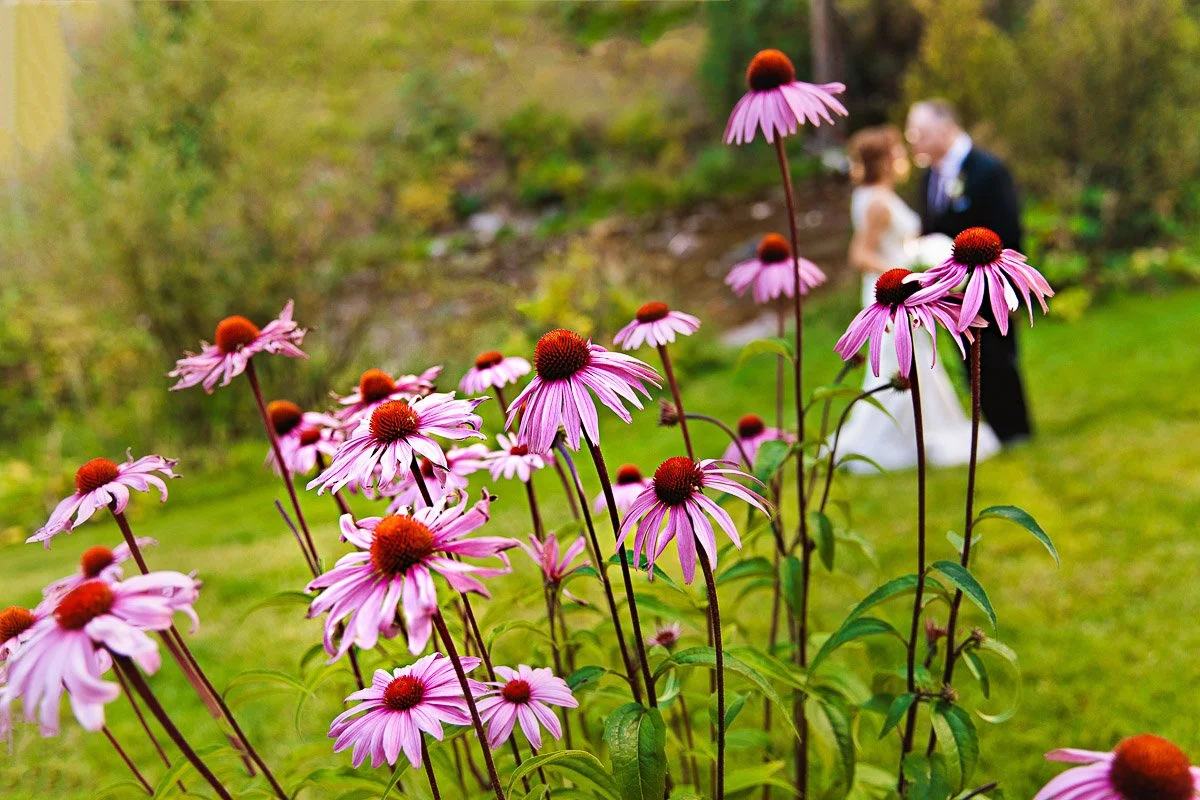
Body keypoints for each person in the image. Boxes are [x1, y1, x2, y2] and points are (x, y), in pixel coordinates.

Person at [833, 124, 1000, 472]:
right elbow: (860, 254)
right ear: (883, 160)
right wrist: (906, 275)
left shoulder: (872, 194)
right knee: (900, 364)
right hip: (893, 295)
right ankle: (896, 439)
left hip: (898, 291)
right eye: (895, 152)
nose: (902, 157)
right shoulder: (877, 201)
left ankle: (919, 431)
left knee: (915, 361)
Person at [906, 99, 1033, 444]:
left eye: (919, 133)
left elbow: (1010, 230)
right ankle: (989, 428)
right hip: (950, 291)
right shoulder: (928, 178)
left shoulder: (988, 170)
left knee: (999, 356)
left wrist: (1004, 285)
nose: (913, 141)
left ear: (946, 129)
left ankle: (1016, 430)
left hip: (990, 283)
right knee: (969, 362)